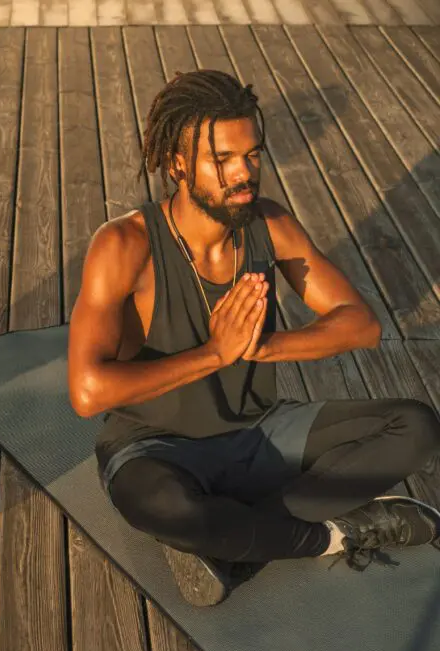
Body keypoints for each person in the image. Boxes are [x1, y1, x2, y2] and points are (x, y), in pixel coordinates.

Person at [67, 70, 440, 607]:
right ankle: (334, 534)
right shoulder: (125, 245)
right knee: (173, 511)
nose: (243, 173)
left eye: (253, 155)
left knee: (417, 425)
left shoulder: (269, 225)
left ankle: (234, 541)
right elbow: (87, 391)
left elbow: (360, 323)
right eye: (221, 161)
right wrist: (214, 354)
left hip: (258, 431)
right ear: (177, 164)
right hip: (157, 447)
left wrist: (265, 347)